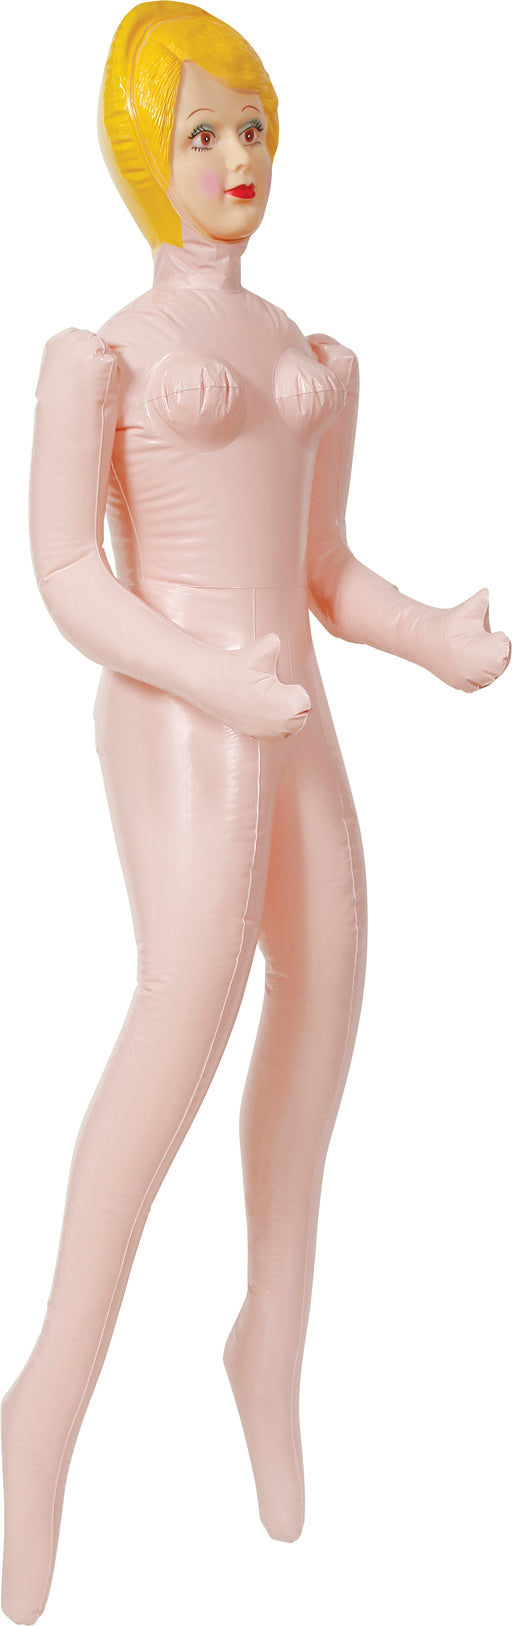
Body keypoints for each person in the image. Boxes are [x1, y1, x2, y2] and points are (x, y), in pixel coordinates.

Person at [2, 4, 510, 1619]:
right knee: (182, 1021)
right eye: (205, 131)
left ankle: (266, 1342)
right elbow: (68, 575)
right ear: (140, 150)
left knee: (333, 986)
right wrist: (210, 681)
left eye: (254, 128)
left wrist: (431, 635)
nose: (237, 159)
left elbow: (322, 571)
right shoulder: (101, 357)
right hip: (180, 714)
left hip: (294, 714)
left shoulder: (310, 349)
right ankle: (40, 1417)